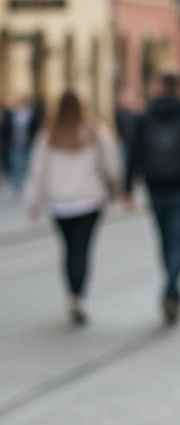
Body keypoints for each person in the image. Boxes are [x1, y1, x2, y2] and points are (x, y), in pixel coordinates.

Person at [23, 90, 123, 325]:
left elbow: (38, 172)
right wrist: (117, 187)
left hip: (60, 204)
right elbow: (111, 164)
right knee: (82, 250)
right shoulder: (95, 132)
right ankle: (78, 297)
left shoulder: (48, 135)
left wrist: (33, 203)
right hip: (88, 201)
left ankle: (71, 295)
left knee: (68, 250)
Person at [126, 70, 180, 324]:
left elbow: (134, 152)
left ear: (158, 87)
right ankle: (171, 291)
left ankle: (171, 289)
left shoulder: (145, 116)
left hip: (155, 187)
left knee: (165, 241)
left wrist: (128, 186)